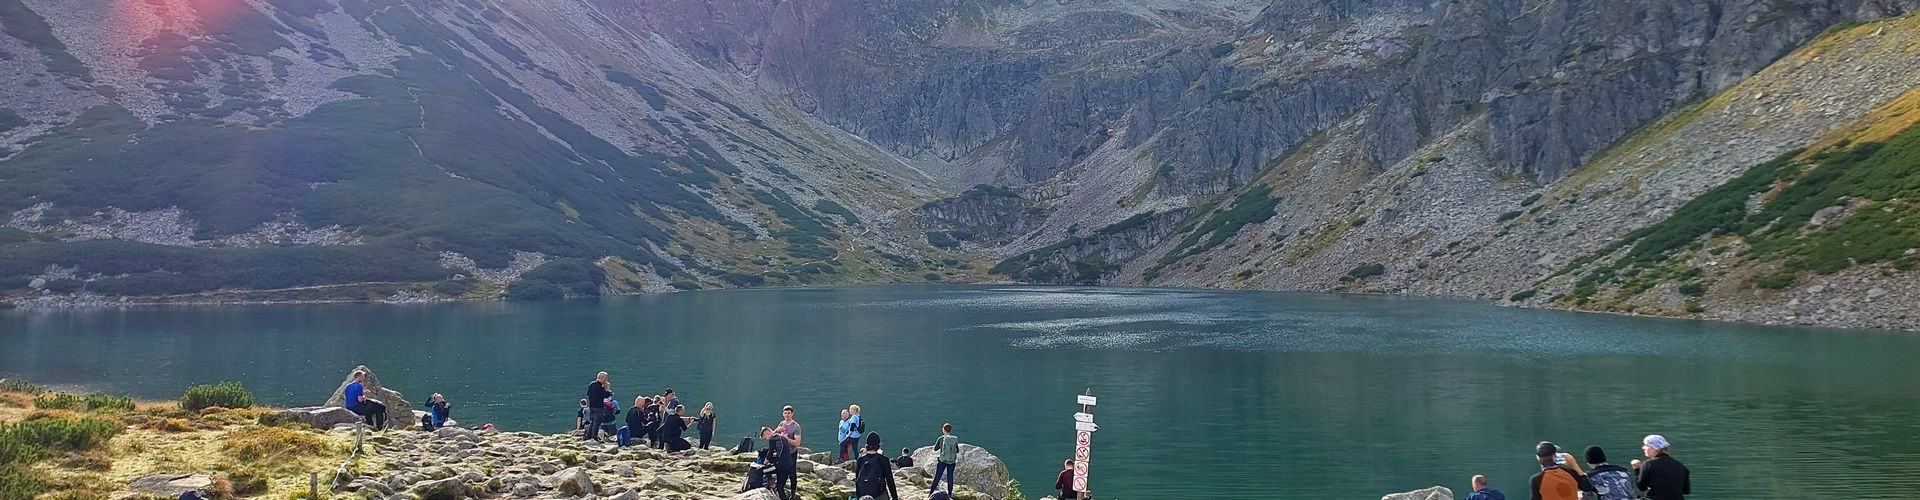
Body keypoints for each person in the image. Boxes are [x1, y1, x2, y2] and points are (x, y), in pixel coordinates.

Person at [1530, 441, 1595, 500]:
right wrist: (1573, 464)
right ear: (1554, 456)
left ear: (1538, 458)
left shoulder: (1536, 480)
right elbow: (1588, 487)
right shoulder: (1570, 472)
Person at [1633, 435, 1690, 500]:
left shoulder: (1649, 464)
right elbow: (1686, 490)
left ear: (1655, 448)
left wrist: (1637, 469)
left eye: (1646, 445)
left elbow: (1641, 487)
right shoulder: (1681, 466)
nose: (1643, 447)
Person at [854, 432, 900, 500]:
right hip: (879, 494)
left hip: (862, 495)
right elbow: (890, 480)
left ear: (866, 445)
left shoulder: (860, 459)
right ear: (879, 445)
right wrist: (895, 497)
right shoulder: (883, 460)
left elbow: (857, 478)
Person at [769, 421, 799, 500]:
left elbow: (797, 443)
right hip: (782, 455)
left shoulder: (796, 427)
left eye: (789, 413)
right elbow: (771, 436)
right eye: (785, 413)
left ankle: (793, 494)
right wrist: (776, 430)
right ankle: (779, 487)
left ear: (792, 414)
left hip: (792, 452)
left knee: (792, 473)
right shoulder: (781, 424)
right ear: (783, 414)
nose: (787, 415)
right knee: (781, 473)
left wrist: (786, 438)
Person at [930, 423, 959, 495]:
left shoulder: (941, 438)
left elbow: (935, 449)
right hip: (952, 461)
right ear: (950, 430)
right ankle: (949, 493)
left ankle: (931, 492)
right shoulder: (954, 439)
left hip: (942, 461)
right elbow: (957, 450)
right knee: (950, 477)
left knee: (938, 476)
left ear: (943, 430)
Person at [585, 372, 612, 441]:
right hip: (598, 407)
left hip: (591, 406)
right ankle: (594, 436)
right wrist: (607, 388)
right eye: (606, 378)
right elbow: (605, 395)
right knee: (597, 422)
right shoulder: (599, 386)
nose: (606, 380)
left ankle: (589, 435)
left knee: (592, 421)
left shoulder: (591, 384)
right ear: (602, 378)